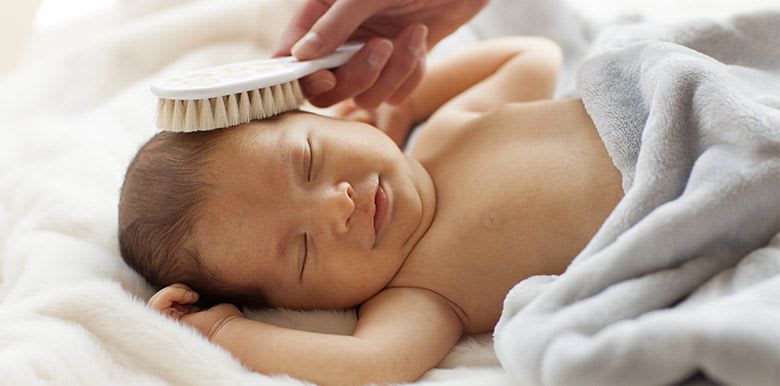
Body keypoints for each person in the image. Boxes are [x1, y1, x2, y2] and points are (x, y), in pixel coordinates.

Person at [119, 36, 624, 386]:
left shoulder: (450, 129)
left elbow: (532, 55)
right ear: (300, 306)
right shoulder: (423, 291)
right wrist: (225, 331)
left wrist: (405, 102)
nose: (336, 206)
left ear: (339, 121)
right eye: (302, 248)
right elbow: (370, 363)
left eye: (309, 160)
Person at [273, 0, 490, 110]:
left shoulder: (438, 136)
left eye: (309, 161)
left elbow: (521, 59)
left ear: (356, 119)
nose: (340, 197)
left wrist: (412, 108)